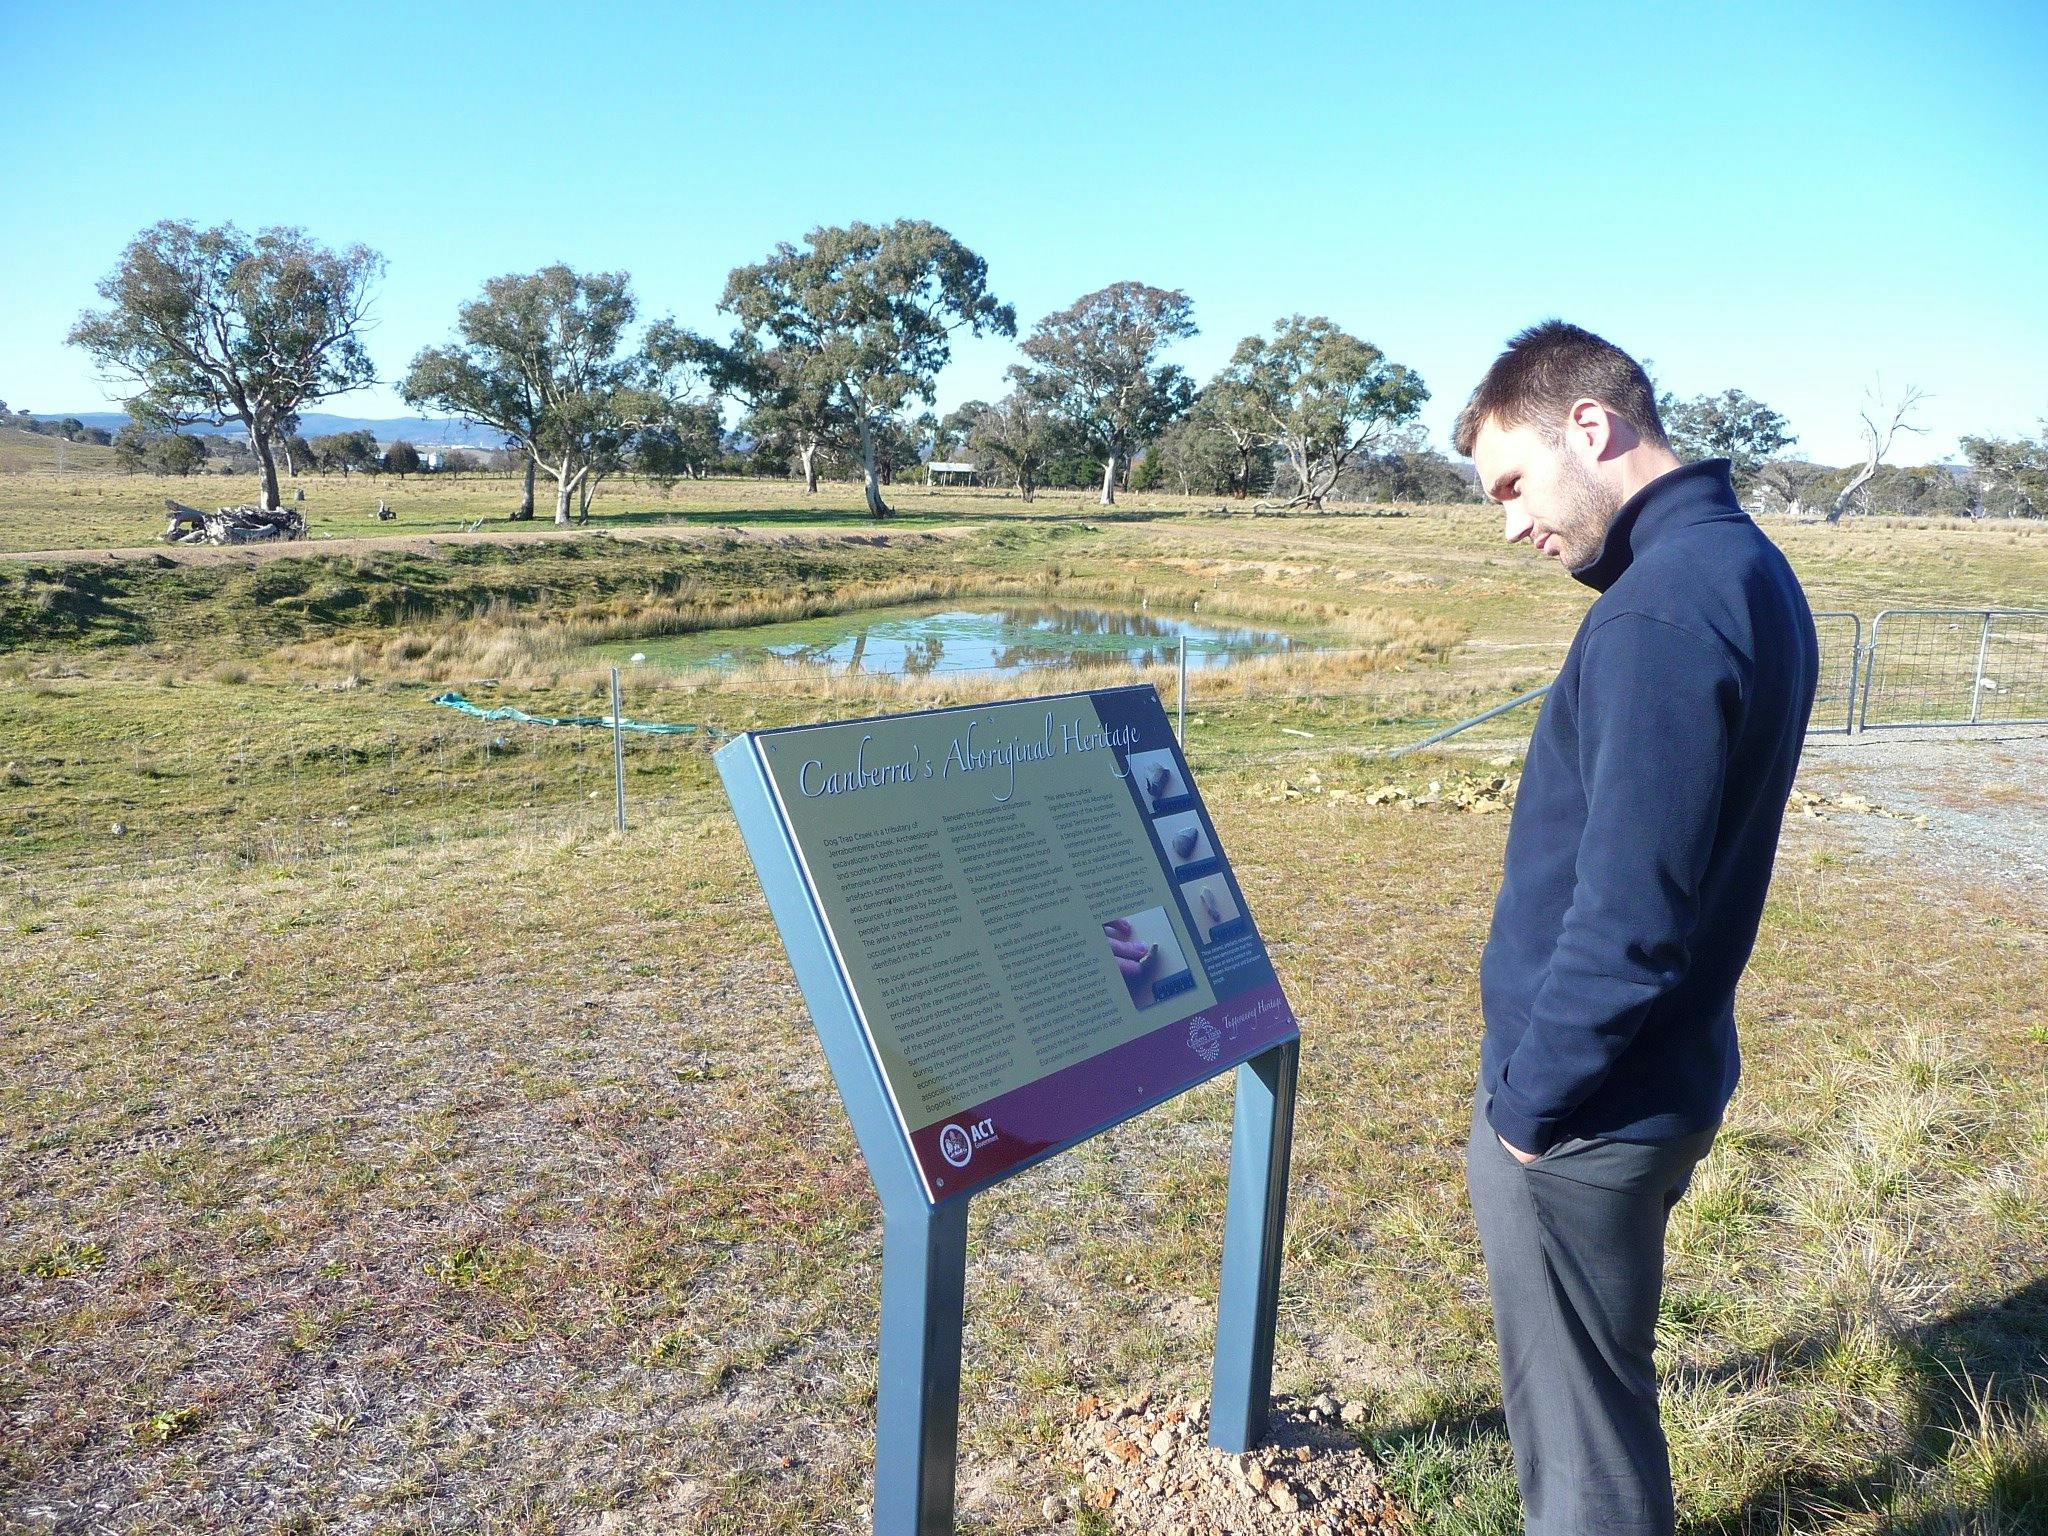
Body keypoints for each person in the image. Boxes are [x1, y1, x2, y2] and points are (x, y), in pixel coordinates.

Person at [1453, 321, 1818, 1535]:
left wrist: (1523, 1114)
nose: (1508, 523)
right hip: (1650, 1079)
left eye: (1511, 483)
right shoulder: (1737, 564)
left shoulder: (1660, 612)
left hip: (1583, 1117)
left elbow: (1626, 922)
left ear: (1591, 429)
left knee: (1584, 1464)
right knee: (1598, 1418)